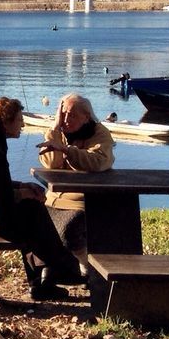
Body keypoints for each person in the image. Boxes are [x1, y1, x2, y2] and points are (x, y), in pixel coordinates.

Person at [0, 96, 83, 300]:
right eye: (19, 120)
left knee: (30, 212)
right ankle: (61, 270)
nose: (23, 124)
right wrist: (22, 193)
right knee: (32, 211)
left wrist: (21, 186)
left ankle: (47, 279)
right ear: (6, 121)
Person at [36, 93, 115, 256]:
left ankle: (84, 268)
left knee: (68, 229)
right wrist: (55, 129)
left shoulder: (99, 133)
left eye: (71, 115)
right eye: (62, 114)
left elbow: (98, 162)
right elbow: (51, 163)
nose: (65, 119)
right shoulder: (59, 133)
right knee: (31, 224)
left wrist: (67, 150)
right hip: (52, 198)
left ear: (86, 117)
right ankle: (46, 273)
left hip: (82, 202)